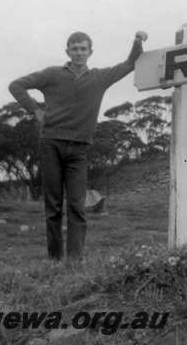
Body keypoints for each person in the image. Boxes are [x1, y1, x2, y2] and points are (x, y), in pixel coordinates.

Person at [8, 30, 147, 260]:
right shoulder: (52, 74)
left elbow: (130, 64)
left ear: (90, 52)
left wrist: (137, 41)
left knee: (77, 206)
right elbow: (16, 85)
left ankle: (74, 262)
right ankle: (55, 261)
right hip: (51, 143)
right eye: (75, 49)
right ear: (67, 52)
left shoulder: (99, 77)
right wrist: (35, 110)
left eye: (83, 49)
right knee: (53, 206)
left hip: (79, 149)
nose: (79, 53)